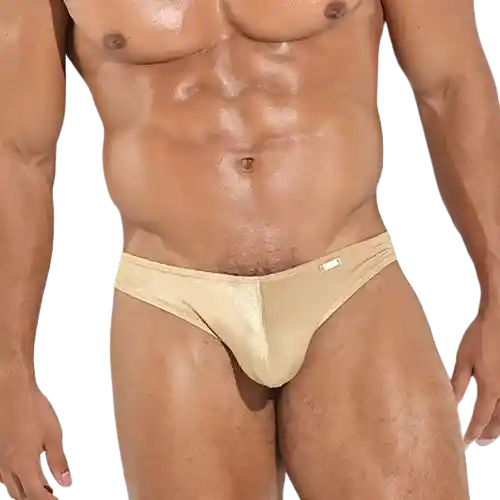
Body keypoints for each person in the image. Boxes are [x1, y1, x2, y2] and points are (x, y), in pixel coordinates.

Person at [0, 0, 498, 498]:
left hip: (350, 276)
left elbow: (452, 84)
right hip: (175, 302)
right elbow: (19, 154)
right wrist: (10, 374)